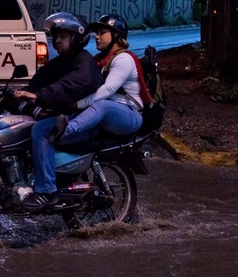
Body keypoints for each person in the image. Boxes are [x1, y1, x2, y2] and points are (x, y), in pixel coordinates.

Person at [22, 13, 147, 212]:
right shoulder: (101, 60)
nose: (97, 36)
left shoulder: (123, 60)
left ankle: (66, 135)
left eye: (102, 32)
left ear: (116, 36)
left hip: (128, 114)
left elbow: (106, 92)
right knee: (40, 127)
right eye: (96, 32)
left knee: (103, 105)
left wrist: (78, 106)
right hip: (106, 114)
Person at [13, 12, 102, 201]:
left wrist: (38, 96)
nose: (57, 41)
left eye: (63, 36)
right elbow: (39, 81)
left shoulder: (85, 63)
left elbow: (69, 86)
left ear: (76, 38)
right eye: (56, 37)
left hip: (83, 121)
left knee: (40, 130)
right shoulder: (61, 62)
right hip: (68, 116)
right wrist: (16, 94)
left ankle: (46, 190)